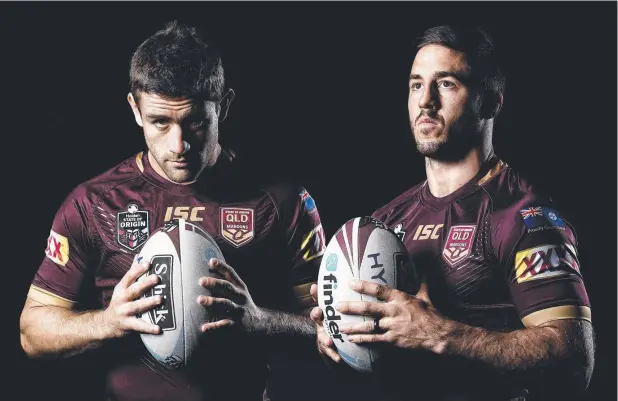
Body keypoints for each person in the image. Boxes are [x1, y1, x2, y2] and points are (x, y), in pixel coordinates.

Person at [19, 21, 327, 401]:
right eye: (160, 122)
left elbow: (333, 332)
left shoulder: (282, 201)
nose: (179, 145)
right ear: (135, 109)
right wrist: (108, 322)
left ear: (223, 106)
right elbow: (32, 332)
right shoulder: (93, 202)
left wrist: (261, 322)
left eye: (195, 122)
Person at [310, 25, 595, 401]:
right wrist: (340, 336)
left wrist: (440, 334)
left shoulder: (523, 216)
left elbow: (574, 360)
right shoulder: (388, 218)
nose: (425, 101)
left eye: (446, 84)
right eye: (416, 85)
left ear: (491, 101)